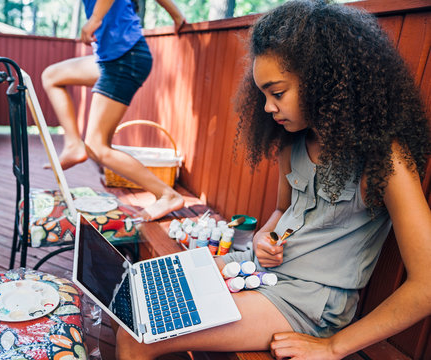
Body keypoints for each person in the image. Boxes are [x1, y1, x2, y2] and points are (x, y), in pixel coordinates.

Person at [114, 1, 431, 359]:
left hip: (308, 303)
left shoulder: (384, 158)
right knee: (134, 294)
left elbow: (427, 285)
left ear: (325, 82)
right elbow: (283, 211)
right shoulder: (293, 144)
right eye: (262, 94)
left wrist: (333, 347)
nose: (267, 107)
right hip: (257, 266)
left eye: (277, 93)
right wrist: (267, 235)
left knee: (138, 336)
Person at [42, 0, 186, 221]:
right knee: (52, 75)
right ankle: (73, 145)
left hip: (125, 58)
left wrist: (95, 20)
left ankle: (167, 195)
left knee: (97, 147)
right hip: (112, 59)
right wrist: (176, 16)